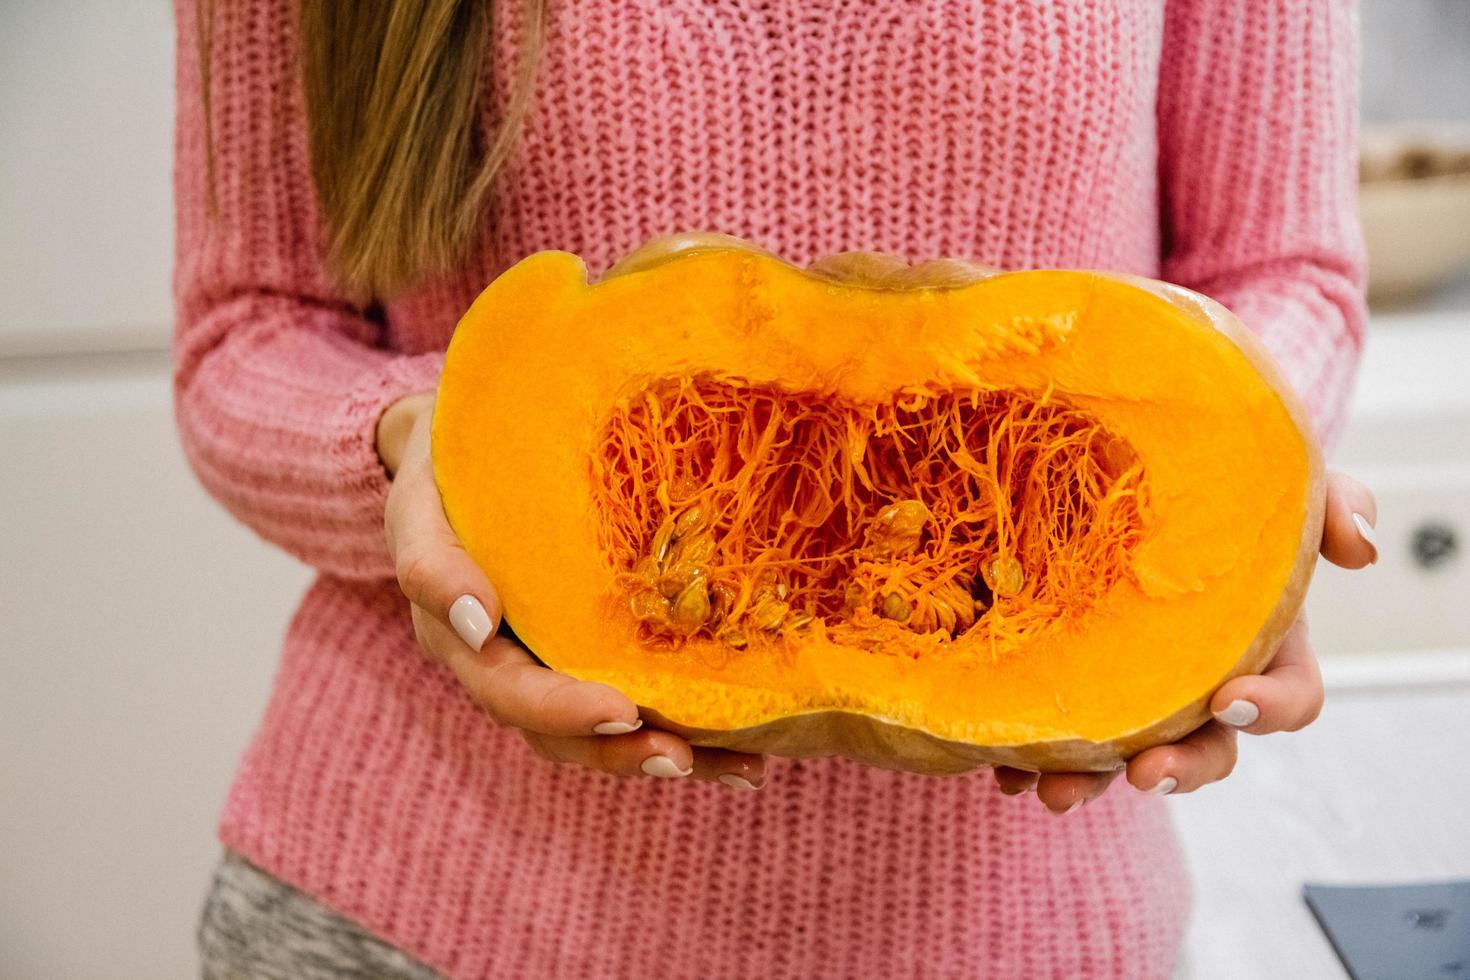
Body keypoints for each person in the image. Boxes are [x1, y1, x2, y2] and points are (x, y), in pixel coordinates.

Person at [176, 0, 1377, 976]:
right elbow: (249, 331)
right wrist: (411, 443)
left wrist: (1248, 482)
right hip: (417, 906)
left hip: (1033, 928)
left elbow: (1285, 271)